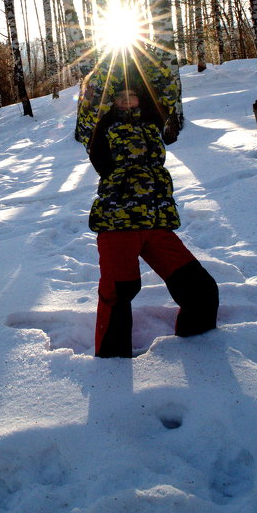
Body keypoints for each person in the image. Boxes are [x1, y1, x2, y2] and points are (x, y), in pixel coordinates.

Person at [87, 75, 219, 358]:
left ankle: (202, 353)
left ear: (140, 98)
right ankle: (112, 368)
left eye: (131, 95)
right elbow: (92, 97)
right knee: (119, 293)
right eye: (119, 96)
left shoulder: (152, 122)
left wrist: (139, 63)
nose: (125, 100)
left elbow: (167, 87)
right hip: (118, 222)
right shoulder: (103, 125)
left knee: (201, 289)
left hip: (155, 222)